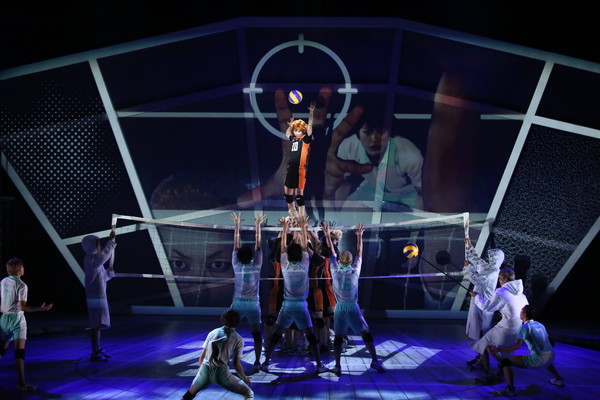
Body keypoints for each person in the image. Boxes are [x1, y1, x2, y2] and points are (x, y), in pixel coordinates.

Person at [260, 215, 328, 374]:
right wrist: (303, 227)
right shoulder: (305, 264)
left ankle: (266, 362)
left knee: (276, 335)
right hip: (301, 306)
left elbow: (283, 247)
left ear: (288, 255)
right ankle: (319, 364)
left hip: (287, 306)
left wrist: (285, 228)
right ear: (301, 255)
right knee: (310, 336)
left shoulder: (285, 265)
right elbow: (304, 246)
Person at [322, 221, 386, 375]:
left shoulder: (334, 270)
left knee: (338, 337)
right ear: (351, 261)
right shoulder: (355, 270)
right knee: (366, 333)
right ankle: (375, 360)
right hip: (352, 307)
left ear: (339, 261)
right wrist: (359, 236)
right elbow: (359, 253)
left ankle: (338, 365)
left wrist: (327, 235)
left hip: (339, 308)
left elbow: (331, 251)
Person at [487, 305, 565, 397]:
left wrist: (498, 350)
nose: (519, 313)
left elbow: (516, 346)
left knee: (505, 362)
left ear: (524, 314)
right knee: (545, 358)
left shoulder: (524, 327)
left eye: (521, 311)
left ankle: (510, 389)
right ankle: (558, 379)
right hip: (551, 355)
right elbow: (548, 340)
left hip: (539, 359)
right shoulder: (540, 324)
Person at [0, 257, 53, 392]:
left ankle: (22, 383)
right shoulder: (22, 285)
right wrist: (40, 309)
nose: (24, 269)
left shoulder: (3, 281)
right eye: (22, 267)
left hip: (4, 318)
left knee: (2, 349)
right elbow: (22, 307)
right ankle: (21, 384)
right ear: (19, 269)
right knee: (19, 352)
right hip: (17, 319)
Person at [469, 267, 528, 380]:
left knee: (483, 344)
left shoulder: (501, 291)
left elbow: (487, 307)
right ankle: (501, 366)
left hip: (505, 328)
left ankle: (488, 371)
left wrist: (476, 296)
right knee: (491, 348)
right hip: (517, 328)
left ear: (502, 279)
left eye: (500, 279)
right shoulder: (521, 294)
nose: (499, 281)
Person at [181, 309, 253, 400]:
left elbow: (202, 356)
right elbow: (236, 364)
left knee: (189, 395)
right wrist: (244, 378)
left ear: (223, 319)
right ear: (238, 322)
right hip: (222, 373)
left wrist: (201, 372)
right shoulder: (239, 339)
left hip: (205, 369)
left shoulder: (213, 332)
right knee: (249, 393)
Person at [230, 211, 266, 372]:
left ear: (238, 256)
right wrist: (258, 225)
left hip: (237, 303)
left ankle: (230, 357)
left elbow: (235, 244)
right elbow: (258, 244)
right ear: (251, 256)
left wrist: (237, 225)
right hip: (252, 304)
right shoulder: (256, 266)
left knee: (230, 331)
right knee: (256, 334)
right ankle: (257, 361)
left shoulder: (236, 265)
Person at [463, 236, 503, 367]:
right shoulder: (488, 267)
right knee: (479, 332)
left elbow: (478, 280)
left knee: (483, 333)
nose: (490, 259)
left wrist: (468, 268)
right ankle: (481, 358)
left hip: (484, 305)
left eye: (493, 257)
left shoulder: (493, 271)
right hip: (477, 302)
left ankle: (493, 363)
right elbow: (476, 259)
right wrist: (469, 245)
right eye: (490, 257)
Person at [82, 229, 116, 362]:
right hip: (95, 297)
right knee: (96, 324)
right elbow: (104, 256)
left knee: (98, 324)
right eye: (98, 244)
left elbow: (101, 278)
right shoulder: (91, 259)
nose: (100, 246)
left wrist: (109, 274)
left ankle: (97, 349)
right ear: (91, 246)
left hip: (99, 296)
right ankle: (95, 352)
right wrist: (111, 241)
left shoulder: (95, 261)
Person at [283, 101, 316, 218]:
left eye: (299, 130)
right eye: (295, 130)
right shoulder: (294, 139)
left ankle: (301, 218)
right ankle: (293, 212)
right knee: (287, 195)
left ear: (302, 131)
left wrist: (311, 113)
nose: (296, 132)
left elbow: (310, 127)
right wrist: (290, 125)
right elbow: (287, 134)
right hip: (290, 169)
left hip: (299, 170)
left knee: (299, 196)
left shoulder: (305, 140)